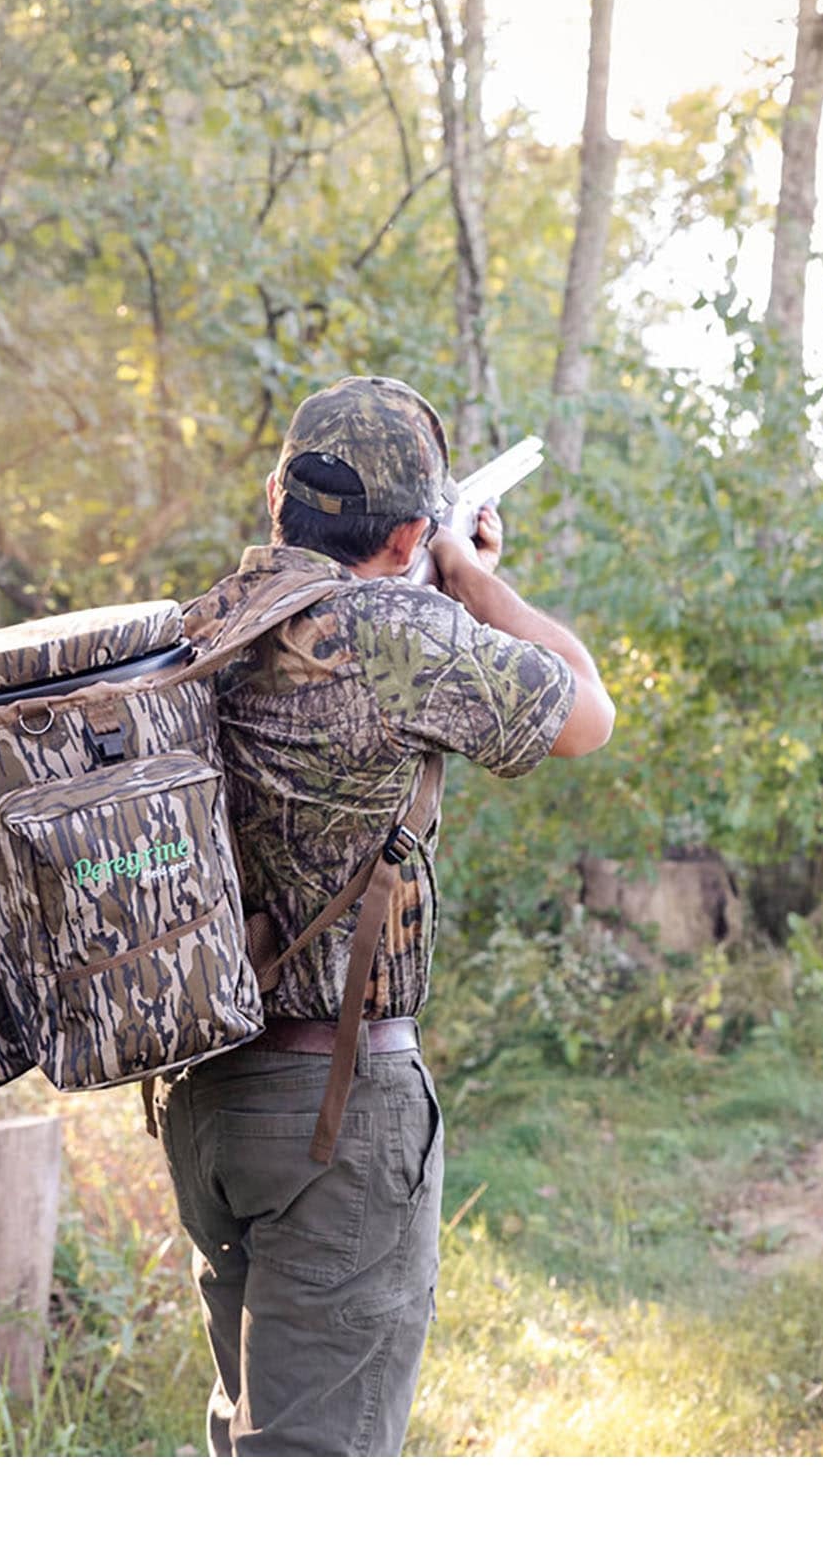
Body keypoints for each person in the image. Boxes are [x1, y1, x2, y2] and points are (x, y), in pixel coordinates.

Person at [152, 375, 615, 1456]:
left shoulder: (201, 624)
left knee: (249, 1441)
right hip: (334, 1111)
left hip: (206, 1100)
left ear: (279, 496)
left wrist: (435, 571)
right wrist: (468, 578)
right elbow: (586, 710)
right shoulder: (409, 634)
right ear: (410, 528)